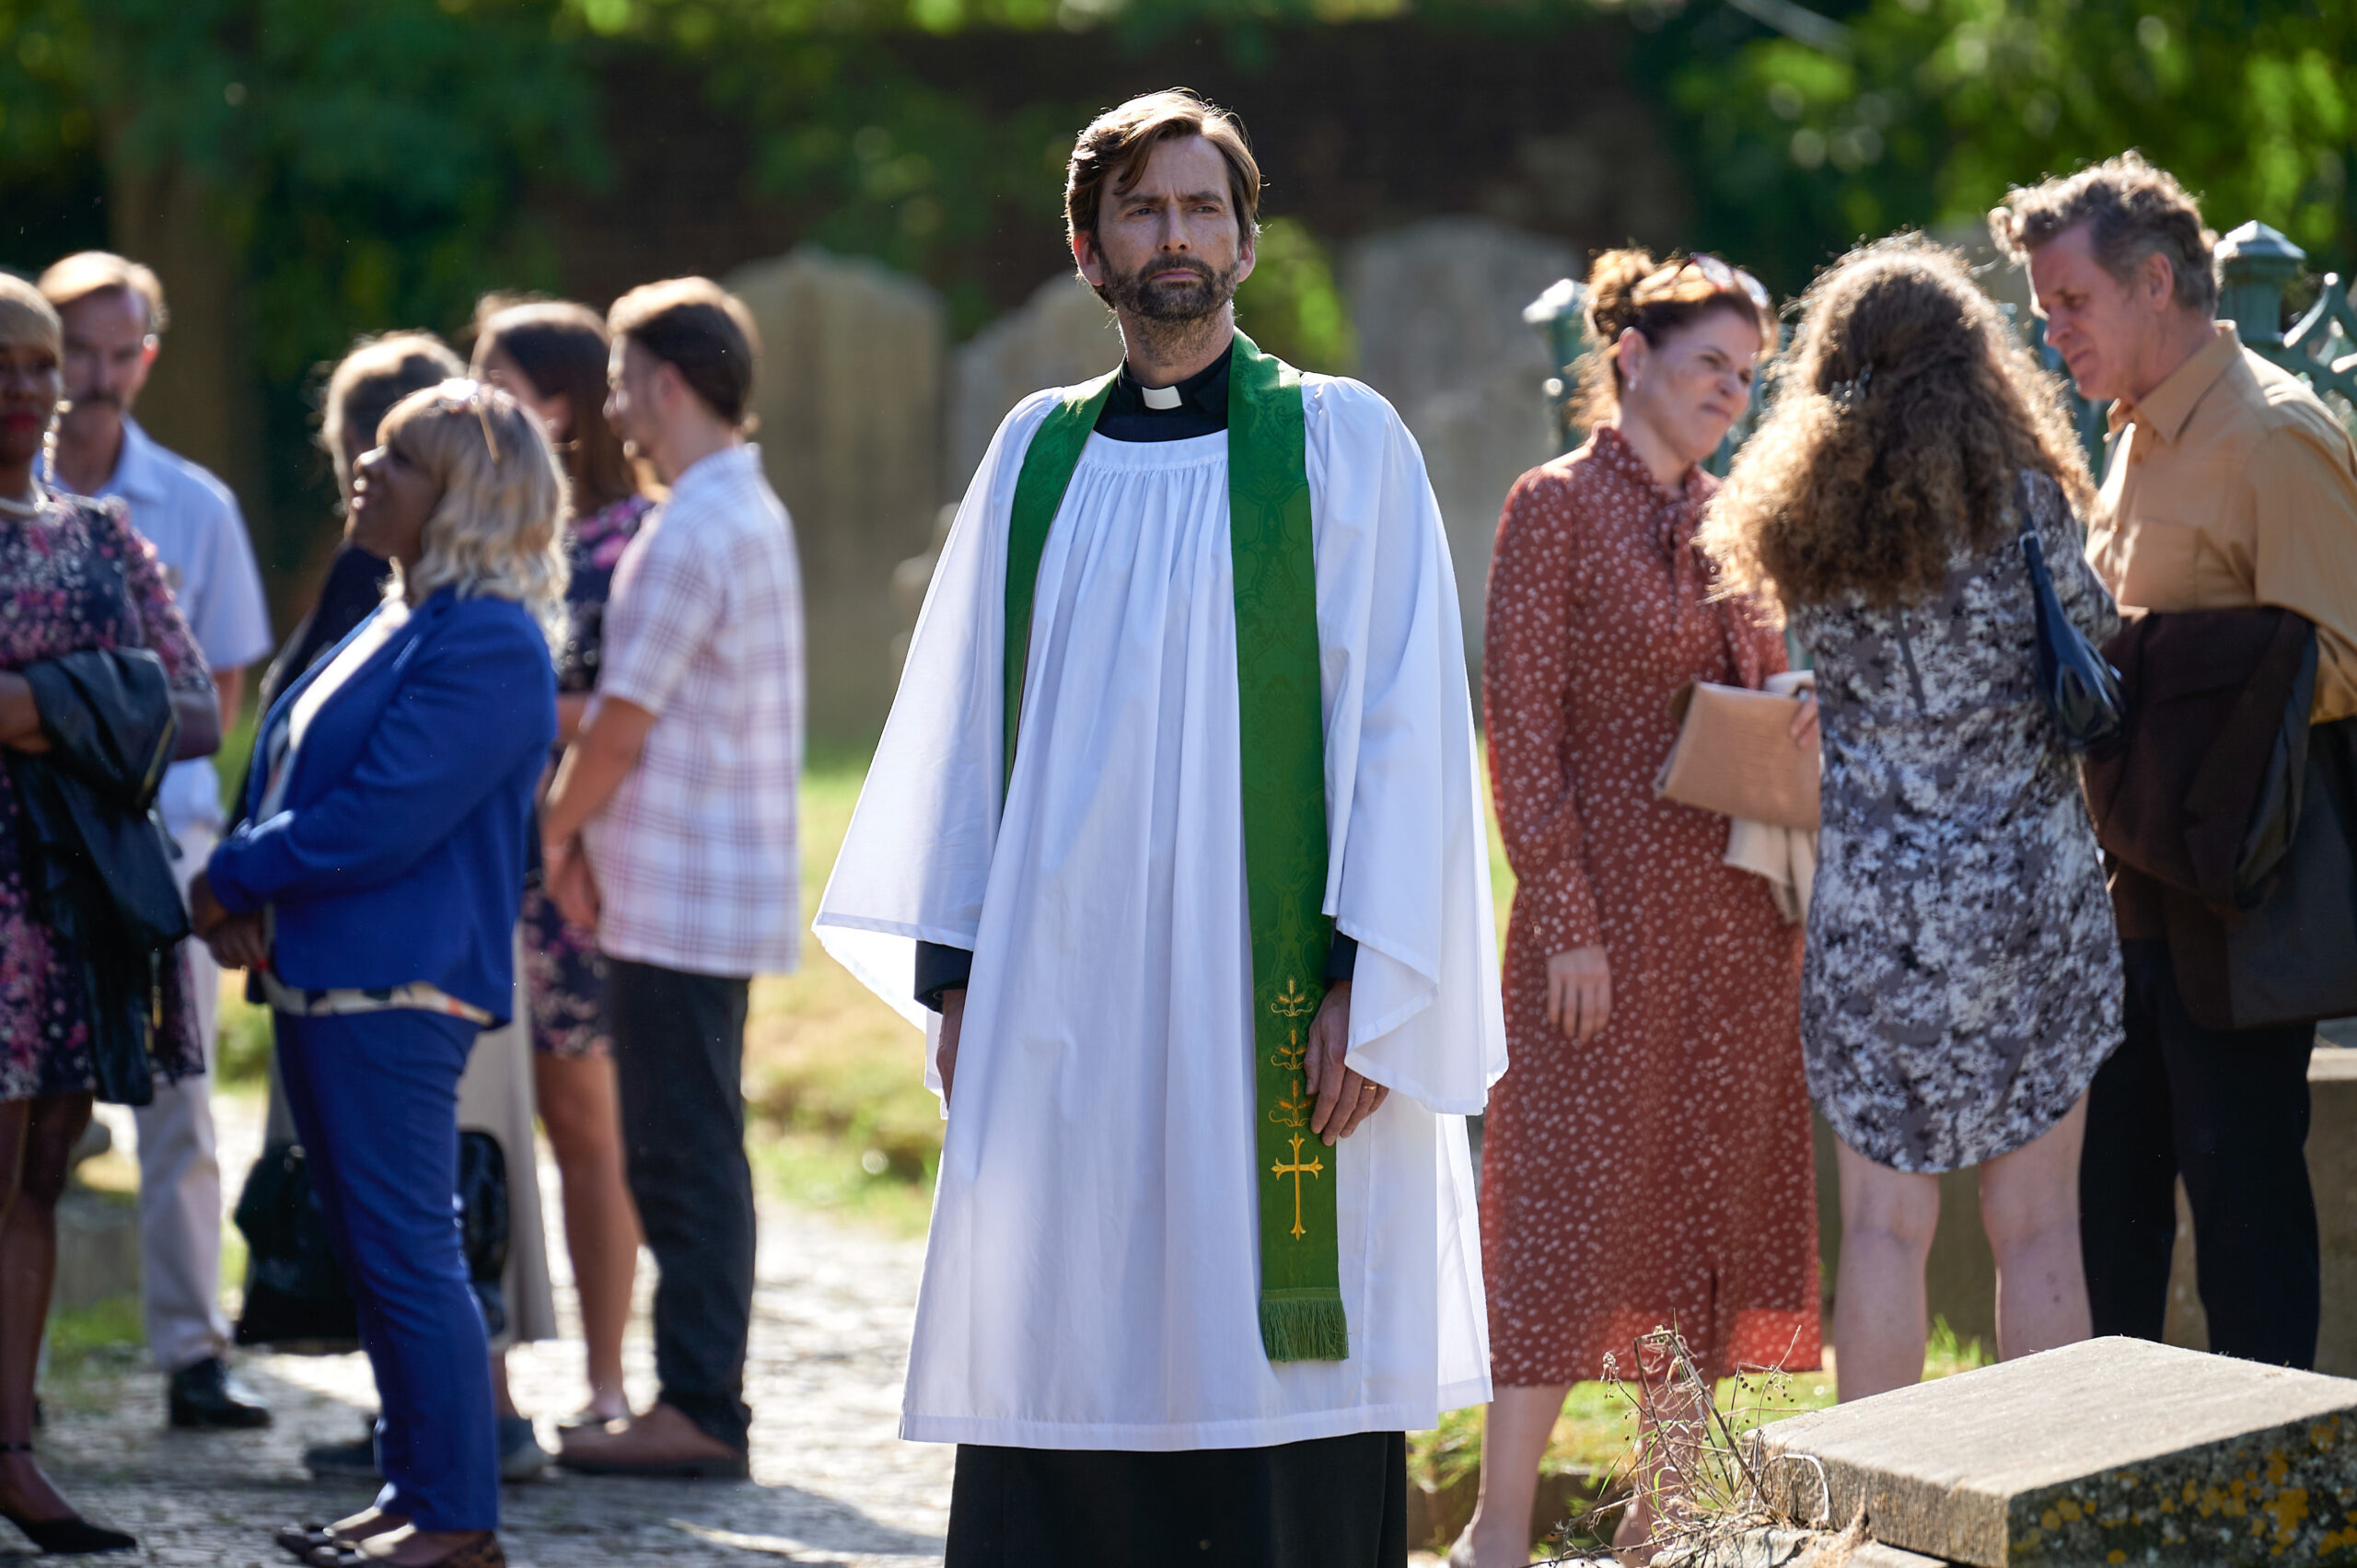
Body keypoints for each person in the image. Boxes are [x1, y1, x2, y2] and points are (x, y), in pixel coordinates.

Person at [815, 89, 1504, 1568]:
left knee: (1276, 1369)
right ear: (1089, 248)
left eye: (1202, 208)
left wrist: (1365, 985)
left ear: (1247, 241)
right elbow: (967, 721)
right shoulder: (1036, 457)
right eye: (1143, 209)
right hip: (1071, 999)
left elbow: (1404, 727)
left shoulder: (1343, 447)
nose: (1174, 236)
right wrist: (958, 972)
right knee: (1075, 1331)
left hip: (1279, 1017)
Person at [1698, 236, 2122, 1402]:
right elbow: (2097, 640)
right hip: (2030, 898)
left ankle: (1879, 1517)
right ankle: (2050, 1501)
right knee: (2036, 1225)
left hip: (1874, 905)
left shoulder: (1802, 526)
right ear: (1975, 365)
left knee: (1883, 1227)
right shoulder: (2028, 505)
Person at [1457, 248, 1814, 1568]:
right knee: (1560, 1214)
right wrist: (1567, 917)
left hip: (1733, 930)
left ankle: (1664, 1525)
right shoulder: (1551, 505)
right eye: (1710, 362)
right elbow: (1522, 725)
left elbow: (1766, 695)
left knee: (1702, 1221)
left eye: (1746, 370)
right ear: (1629, 356)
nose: (1733, 388)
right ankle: (1497, 1524)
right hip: (1594, 941)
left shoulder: (1738, 520)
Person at [192, 378, 566, 1568]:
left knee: (410, 1253)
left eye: (399, 460)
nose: (366, 471)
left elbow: (378, 817)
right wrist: (256, 890)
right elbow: (296, 767)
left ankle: (456, 1517)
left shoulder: (491, 640)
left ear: (461, 494)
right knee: (375, 1252)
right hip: (331, 972)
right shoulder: (405, 613)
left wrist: (234, 875)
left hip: (398, 986)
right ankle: (413, 1489)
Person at [1991, 154, 2357, 1370]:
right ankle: (2110, 1490)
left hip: (2241, 892)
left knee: (2248, 1209)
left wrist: (2165, 674)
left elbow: (2344, 660)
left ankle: (2279, 1510)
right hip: (2128, 886)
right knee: (2115, 1210)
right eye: (2042, 306)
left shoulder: (2276, 434)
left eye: (2071, 301)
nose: (2052, 329)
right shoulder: (2131, 436)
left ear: (2157, 283)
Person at [540, 277, 803, 1479]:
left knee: (682, 1153)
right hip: (698, 881)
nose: (614, 407)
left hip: (682, 890)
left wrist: (556, 834)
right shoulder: (733, 510)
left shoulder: (694, 524)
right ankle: (694, 1393)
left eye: (623, 381)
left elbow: (622, 721)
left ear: (664, 381)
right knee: (691, 1145)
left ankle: (700, 1402)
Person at [37, 250, 276, 1433]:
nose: (92, 376)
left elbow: (215, 699)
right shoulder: (12, 493)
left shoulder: (193, 506)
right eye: (72, 350)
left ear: (147, 356)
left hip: (156, 835)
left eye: (115, 352)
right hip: (23, 841)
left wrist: (74, 718)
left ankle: (191, 1346)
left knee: (177, 1097)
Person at [0, 275, 218, 1553]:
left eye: (38, 365)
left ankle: (15, 1449)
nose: (28, 388)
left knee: (39, 1169)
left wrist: (36, 703)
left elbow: (192, 707)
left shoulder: (100, 537)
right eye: (5, 365)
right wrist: (89, 701)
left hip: (69, 900)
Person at [471, 298, 648, 1428]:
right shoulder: (486, 535)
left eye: (497, 380)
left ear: (565, 402)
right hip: (484, 862)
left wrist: (531, 711)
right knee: (482, 1124)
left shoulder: (636, 540)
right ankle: (475, 1379)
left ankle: (603, 1378)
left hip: (579, 872)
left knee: (589, 1128)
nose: (478, 403)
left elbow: (640, 704)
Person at [256, 333, 464, 719]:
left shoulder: (371, 563)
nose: (367, 466)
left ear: (351, 440)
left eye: (400, 456)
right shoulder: (474, 571)